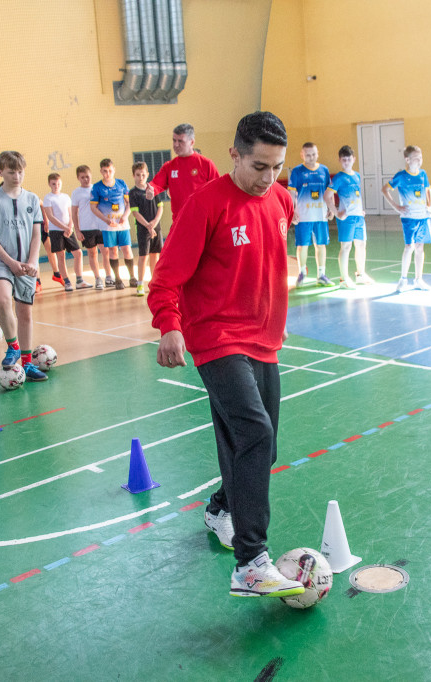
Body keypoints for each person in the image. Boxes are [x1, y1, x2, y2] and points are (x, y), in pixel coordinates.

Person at [147, 110, 305, 600]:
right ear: (234, 154)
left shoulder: (281, 200)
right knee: (254, 434)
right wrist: (169, 326)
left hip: (264, 339)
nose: (267, 178)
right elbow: (166, 278)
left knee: (260, 448)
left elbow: (273, 250)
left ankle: (221, 508)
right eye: (258, 166)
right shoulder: (204, 204)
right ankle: (250, 563)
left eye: (276, 167)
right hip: (215, 338)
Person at [0, 150, 48, 380]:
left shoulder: (32, 199)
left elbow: (37, 234)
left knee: (25, 314)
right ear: (1, 171)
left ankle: (27, 364)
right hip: (2, 261)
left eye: (20, 171)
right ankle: (13, 346)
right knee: (2, 299)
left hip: (27, 265)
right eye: (11, 172)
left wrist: (32, 261)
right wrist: (10, 262)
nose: (17, 176)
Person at [145, 123, 220, 234]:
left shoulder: (206, 164)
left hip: (203, 225)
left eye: (180, 141)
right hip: (179, 225)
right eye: (174, 140)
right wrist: (151, 190)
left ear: (192, 142)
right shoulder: (169, 167)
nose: (176, 144)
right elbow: (156, 184)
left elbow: (218, 191)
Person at [383, 145, 431, 292]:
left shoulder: (423, 174)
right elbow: (385, 189)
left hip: (423, 217)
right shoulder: (401, 176)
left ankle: (418, 279)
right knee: (409, 247)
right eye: (416, 158)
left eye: (421, 157)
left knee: (420, 247)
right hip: (409, 218)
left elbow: (428, 190)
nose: (419, 160)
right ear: (407, 159)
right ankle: (403, 279)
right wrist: (396, 206)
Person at [325, 145, 370, 288]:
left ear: (353, 159)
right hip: (347, 218)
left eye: (349, 159)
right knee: (346, 246)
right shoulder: (338, 178)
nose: (346, 162)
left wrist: (360, 209)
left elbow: (356, 195)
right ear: (339, 160)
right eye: (344, 160)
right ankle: (344, 279)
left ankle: (360, 274)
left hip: (359, 217)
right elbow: (327, 196)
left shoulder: (357, 176)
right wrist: (336, 212)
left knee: (361, 245)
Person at [288, 142, 333, 286]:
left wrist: (331, 208)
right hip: (303, 216)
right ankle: (302, 274)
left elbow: (329, 192)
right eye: (308, 155)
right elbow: (291, 192)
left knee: (321, 245)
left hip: (321, 216)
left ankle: (321, 275)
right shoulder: (297, 171)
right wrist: (292, 210)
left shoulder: (324, 170)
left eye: (313, 154)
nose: (311, 157)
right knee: (302, 245)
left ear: (317, 153)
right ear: (302, 155)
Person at [90, 158, 135, 290]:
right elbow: (93, 208)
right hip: (108, 226)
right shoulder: (97, 187)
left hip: (123, 225)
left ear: (114, 170)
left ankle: (132, 277)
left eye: (110, 170)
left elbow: (129, 203)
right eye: (105, 171)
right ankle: (118, 279)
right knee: (113, 251)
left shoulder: (121, 184)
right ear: (100, 171)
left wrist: (125, 216)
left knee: (127, 249)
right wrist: (105, 220)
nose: (107, 173)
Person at [43, 172, 91, 292]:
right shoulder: (48, 198)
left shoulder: (66, 197)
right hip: (56, 231)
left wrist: (70, 227)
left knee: (78, 253)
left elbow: (71, 214)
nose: (56, 186)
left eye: (58, 183)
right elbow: (50, 216)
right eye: (53, 184)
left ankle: (79, 280)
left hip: (69, 230)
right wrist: (65, 228)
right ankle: (67, 282)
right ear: (49, 184)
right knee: (61, 256)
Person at [128, 161, 165, 296]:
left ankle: (153, 282)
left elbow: (160, 207)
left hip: (156, 227)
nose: (141, 177)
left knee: (155, 255)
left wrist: (154, 223)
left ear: (147, 174)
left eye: (143, 174)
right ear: (134, 176)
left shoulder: (153, 189)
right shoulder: (133, 193)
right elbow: (135, 213)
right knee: (143, 256)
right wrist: (148, 225)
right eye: (138, 175)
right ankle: (140, 284)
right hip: (144, 229)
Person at [69, 165, 105, 291]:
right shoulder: (76, 193)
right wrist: (77, 230)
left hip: (101, 226)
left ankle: (110, 276)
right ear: (78, 178)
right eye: (82, 177)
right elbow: (74, 213)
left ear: (91, 175)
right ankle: (98, 278)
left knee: (106, 251)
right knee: (92, 253)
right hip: (86, 228)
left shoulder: (98, 188)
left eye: (87, 176)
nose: (85, 179)